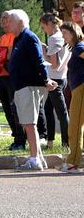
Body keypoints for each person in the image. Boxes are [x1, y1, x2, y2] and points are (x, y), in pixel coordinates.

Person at [7, 9, 56, 171]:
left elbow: (38, 61)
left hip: (30, 86)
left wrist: (45, 80)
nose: (8, 24)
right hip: (21, 87)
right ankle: (39, 158)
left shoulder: (29, 37)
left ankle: (34, 160)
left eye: (11, 21)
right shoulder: (18, 39)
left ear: (20, 22)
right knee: (28, 124)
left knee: (29, 124)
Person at [0, 11, 26, 150]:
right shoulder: (3, 37)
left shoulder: (16, 36)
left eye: (6, 18)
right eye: (2, 17)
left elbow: (11, 57)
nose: (3, 20)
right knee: (6, 109)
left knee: (15, 109)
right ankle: (16, 137)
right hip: (2, 76)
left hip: (12, 77)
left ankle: (21, 139)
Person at [40, 13, 70, 148]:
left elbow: (54, 64)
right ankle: (50, 141)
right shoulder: (63, 36)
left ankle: (66, 143)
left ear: (50, 24)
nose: (43, 30)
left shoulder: (53, 39)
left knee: (61, 113)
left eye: (43, 27)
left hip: (55, 79)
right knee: (48, 109)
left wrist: (44, 51)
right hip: (63, 78)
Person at [59, 21, 84, 173]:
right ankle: (73, 162)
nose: (63, 36)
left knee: (74, 127)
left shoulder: (79, 47)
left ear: (74, 32)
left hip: (81, 89)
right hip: (78, 89)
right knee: (76, 127)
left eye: (65, 33)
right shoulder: (76, 48)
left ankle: (73, 163)